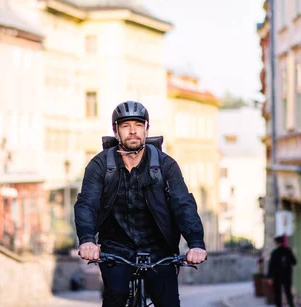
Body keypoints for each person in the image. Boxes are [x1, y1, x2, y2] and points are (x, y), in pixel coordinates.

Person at [74, 100, 207, 307]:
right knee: (115, 296)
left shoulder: (165, 165)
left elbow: (183, 205)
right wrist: (87, 240)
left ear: (146, 129)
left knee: (168, 303)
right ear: (116, 131)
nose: (133, 131)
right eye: (126, 126)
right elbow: (87, 204)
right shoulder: (100, 165)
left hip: (159, 248)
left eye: (138, 125)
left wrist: (196, 243)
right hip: (115, 249)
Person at [267, 235, 296, 307]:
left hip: (277, 276)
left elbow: (271, 265)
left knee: (277, 293)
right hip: (287, 275)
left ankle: (279, 305)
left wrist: (270, 277)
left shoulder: (275, 252)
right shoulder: (288, 251)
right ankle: (291, 305)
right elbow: (294, 262)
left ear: (277, 243)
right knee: (288, 292)